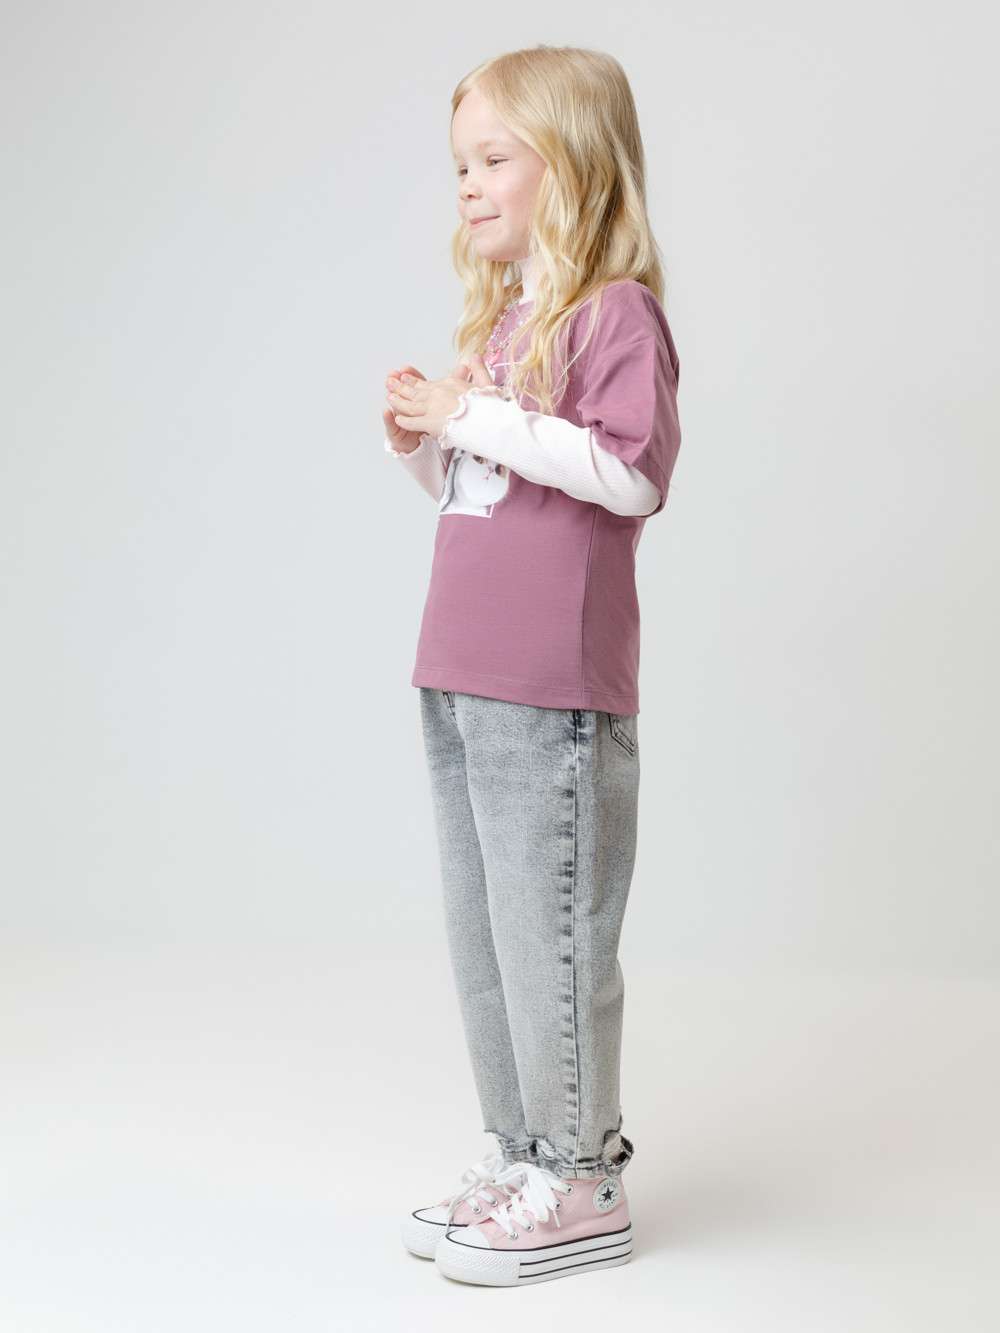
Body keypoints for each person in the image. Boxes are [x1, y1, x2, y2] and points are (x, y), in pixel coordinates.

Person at [382, 45, 681, 1286]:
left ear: (574, 168)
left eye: (493, 158)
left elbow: (629, 474)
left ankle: (582, 1175)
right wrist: (427, 438)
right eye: (460, 163)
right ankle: (521, 1158)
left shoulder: (615, 315)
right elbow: (490, 492)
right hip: (462, 669)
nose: (468, 183)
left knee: (550, 933)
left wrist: (474, 416)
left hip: (551, 685)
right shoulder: (510, 323)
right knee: (488, 936)